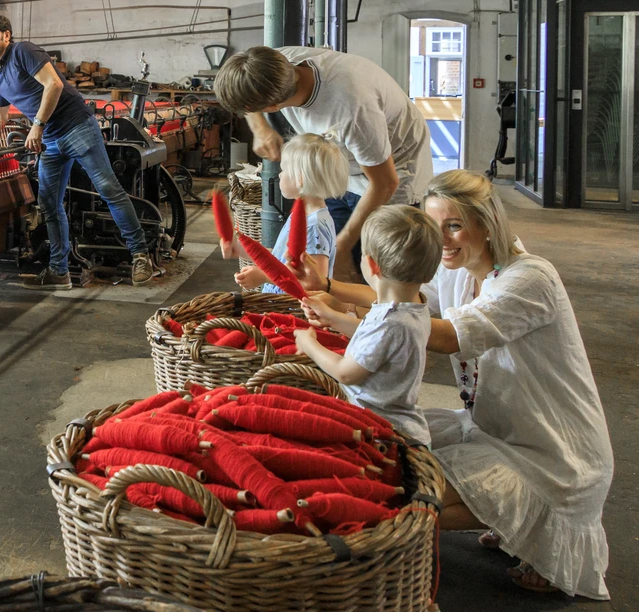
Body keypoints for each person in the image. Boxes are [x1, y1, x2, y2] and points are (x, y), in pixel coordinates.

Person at [294, 170, 613, 598]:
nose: (442, 240)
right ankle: (510, 520)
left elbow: (444, 334)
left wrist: (339, 330)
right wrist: (331, 290)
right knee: (394, 465)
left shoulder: (530, 278)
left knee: (402, 497)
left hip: (551, 445)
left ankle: (532, 526)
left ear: (488, 223)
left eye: (455, 225)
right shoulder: (458, 269)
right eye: (434, 226)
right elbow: (401, 294)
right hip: (492, 422)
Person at [215, 46, 431, 284]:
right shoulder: (275, 62)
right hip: (340, 166)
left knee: (378, 270)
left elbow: (385, 182)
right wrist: (260, 128)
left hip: (392, 170)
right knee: (330, 265)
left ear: (272, 107)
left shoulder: (351, 109)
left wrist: (343, 247)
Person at [0, 14, 154, 289]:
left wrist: (37, 126)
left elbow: (54, 84)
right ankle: (59, 272)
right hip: (50, 140)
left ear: (6, 35)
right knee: (49, 203)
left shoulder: (23, 51)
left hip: (76, 127)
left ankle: (141, 256)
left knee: (109, 189)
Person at [292, 205, 442, 444]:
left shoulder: (390, 322)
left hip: (381, 433)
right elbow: (374, 339)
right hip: (397, 425)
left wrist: (309, 344)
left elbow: (345, 372)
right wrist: (333, 317)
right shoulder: (412, 308)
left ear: (372, 265)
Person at [228, 132, 344, 293]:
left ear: (300, 178)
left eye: (283, 170)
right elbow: (280, 256)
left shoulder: (314, 226)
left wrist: (264, 276)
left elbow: (315, 282)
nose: (280, 175)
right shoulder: (304, 216)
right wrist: (239, 250)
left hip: (292, 313)